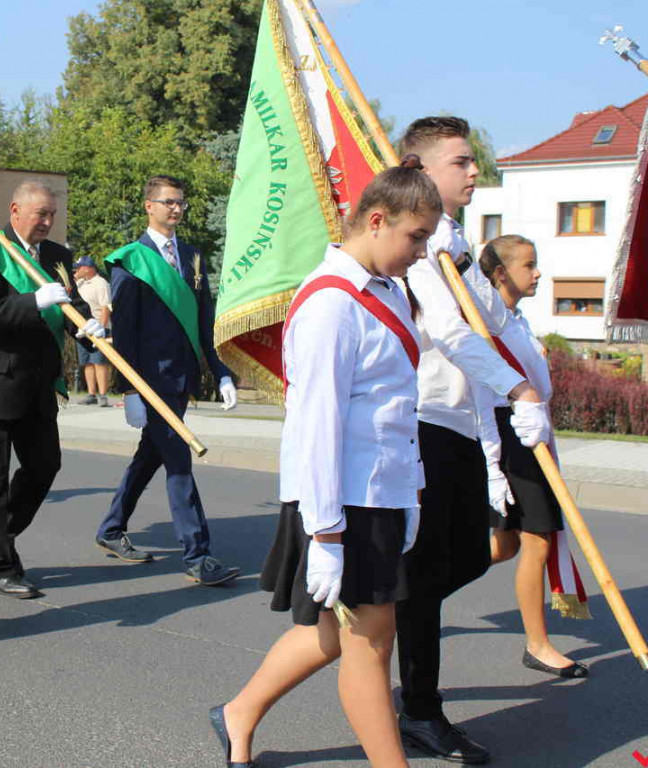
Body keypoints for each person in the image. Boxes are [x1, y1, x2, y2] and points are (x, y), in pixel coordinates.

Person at [214, 162, 440, 768]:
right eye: (415, 237)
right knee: (371, 642)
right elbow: (315, 425)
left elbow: (394, 404)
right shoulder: (331, 305)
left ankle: (238, 713)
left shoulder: (386, 289)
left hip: (382, 494)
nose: (422, 252)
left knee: (336, 635)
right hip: (345, 501)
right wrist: (326, 532)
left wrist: (410, 496)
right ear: (376, 219)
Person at [395, 117, 553, 764]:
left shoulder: (457, 239)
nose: (473, 173)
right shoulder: (421, 238)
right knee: (429, 572)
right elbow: (454, 335)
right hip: (426, 418)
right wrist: (519, 390)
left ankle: (386, 620)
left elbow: (489, 319)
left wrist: (530, 380)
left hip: (466, 424)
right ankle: (420, 709)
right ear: (420, 166)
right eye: (460, 161)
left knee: (459, 561)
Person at [0, 181, 104, 599]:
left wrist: (89, 330)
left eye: (52, 215)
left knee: (44, 466)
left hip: (38, 383)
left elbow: (71, 305)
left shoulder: (57, 255)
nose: (46, 222)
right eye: (40, 214)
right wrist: (32, 301)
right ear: (15, 209)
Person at [93, 175, 240, 586]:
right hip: (151, 381)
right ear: (149, 206)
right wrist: (130, 389)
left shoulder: (192, 257)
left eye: (180, 202)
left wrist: (222, 372)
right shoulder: (131, 260)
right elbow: (125, 331)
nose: (175, 209)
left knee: (150, 456)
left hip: (182, 376)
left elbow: (203, 320)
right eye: (167, 202)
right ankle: (198, 554)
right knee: (178, 460)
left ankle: (110, 528)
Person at [476, 235, 589, 678]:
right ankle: (538, 644)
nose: (538, 272)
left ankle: (420, 583)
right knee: (537, 538)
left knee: (504, 546)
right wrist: (492, 468)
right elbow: (484, 397)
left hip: (531, 432)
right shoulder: (488, 326)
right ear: (501, 273)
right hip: (511, 438)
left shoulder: (516, 321)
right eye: (530, 264)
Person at [73, 255, 112, 407]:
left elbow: (105, 307)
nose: (76, 270)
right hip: (82, 329)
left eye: (79, 267)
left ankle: (103, 395)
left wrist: (101, 329)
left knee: (99, 362)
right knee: (87, 362)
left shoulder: (101, 283)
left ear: (88, 268)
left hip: (98, 328)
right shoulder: (80, 283)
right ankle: (91, 394)